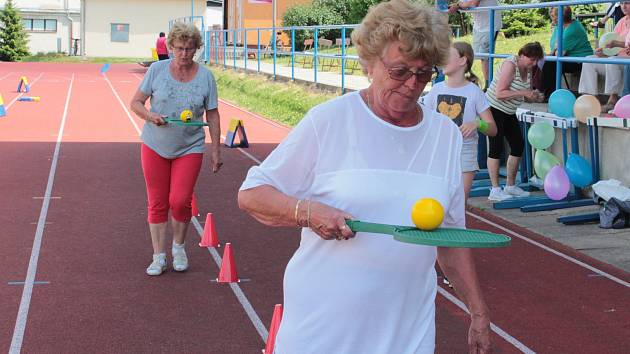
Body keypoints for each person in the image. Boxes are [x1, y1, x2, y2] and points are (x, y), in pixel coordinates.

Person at [238, 1, 492, 353]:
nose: (412, 85)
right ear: (370, 63)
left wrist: (478, 313)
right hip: (323, 332)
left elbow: (450, 237)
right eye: (400, 71)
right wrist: (308, 213)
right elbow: (252, 194)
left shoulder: (444, 136)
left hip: (407, 333)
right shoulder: (329, 120)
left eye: (424, 74)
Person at [130, 22, 222, 276]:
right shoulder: (157, 70)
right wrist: (150, 116)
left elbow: (212, 115)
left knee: (180, 201)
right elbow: (136, 103)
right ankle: (158, 256)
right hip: (155, 145)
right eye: (179, 48)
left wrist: (216, 149)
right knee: (157, 201)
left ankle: (179, 248)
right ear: (170, 47)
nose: (184, 54)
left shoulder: (205, 77)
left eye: (189, 49)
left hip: (189, 146)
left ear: (196, 49)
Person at [424, 42, 497, 205]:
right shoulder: (436, 90)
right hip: (438, 153)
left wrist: (478, 124)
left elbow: (493, 129)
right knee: (436, 203)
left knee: (457, 205)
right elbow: (423, 119)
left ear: (463, 60)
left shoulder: (474, 92)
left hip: (464, 153)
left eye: (447, 56)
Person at [485, 42, 545, 201]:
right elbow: (500, 93)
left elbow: (520, 94)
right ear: (522, 55)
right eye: (531, 60)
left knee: (518, 144)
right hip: (493, 108)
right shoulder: (510, 65)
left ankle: (510, 186)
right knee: (496, 147)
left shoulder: (528, 70)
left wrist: (533, 96)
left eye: (536, 61)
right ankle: (495, 189)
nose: (533, 63)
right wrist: (525, 92)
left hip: (509, 111)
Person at [579, 2, 630, 112]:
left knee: (612, 61)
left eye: (627, 3)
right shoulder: (621, 21)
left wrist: (617, 44)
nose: (623, 6)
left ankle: (613, 99)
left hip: (626, 62)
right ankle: (593, 100)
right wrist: (604, 52)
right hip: (617, 59)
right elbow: (612, 45)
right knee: (589, 60)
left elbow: (617, 43)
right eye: (621, 4)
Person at [538, 6, 593, 100]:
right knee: (536, 59)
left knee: (550, 63)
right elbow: (554, 48)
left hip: (579, 60)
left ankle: (547, 96)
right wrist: (553, 50)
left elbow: (558, 54)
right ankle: (537, 92)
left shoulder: (573, 29)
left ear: (561, 17)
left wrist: (554, 51)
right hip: (566, 57)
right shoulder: (559, 27)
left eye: (553, 16)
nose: (552, 18)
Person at [449, 0, 503, 89]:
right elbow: (466, 4)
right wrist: (456, 6)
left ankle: (489, 86)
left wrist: (457, 5)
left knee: (485, 58)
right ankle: (472, 81)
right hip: (479, 26)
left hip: (489, 26)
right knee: (478, 56)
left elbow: (473, 3)